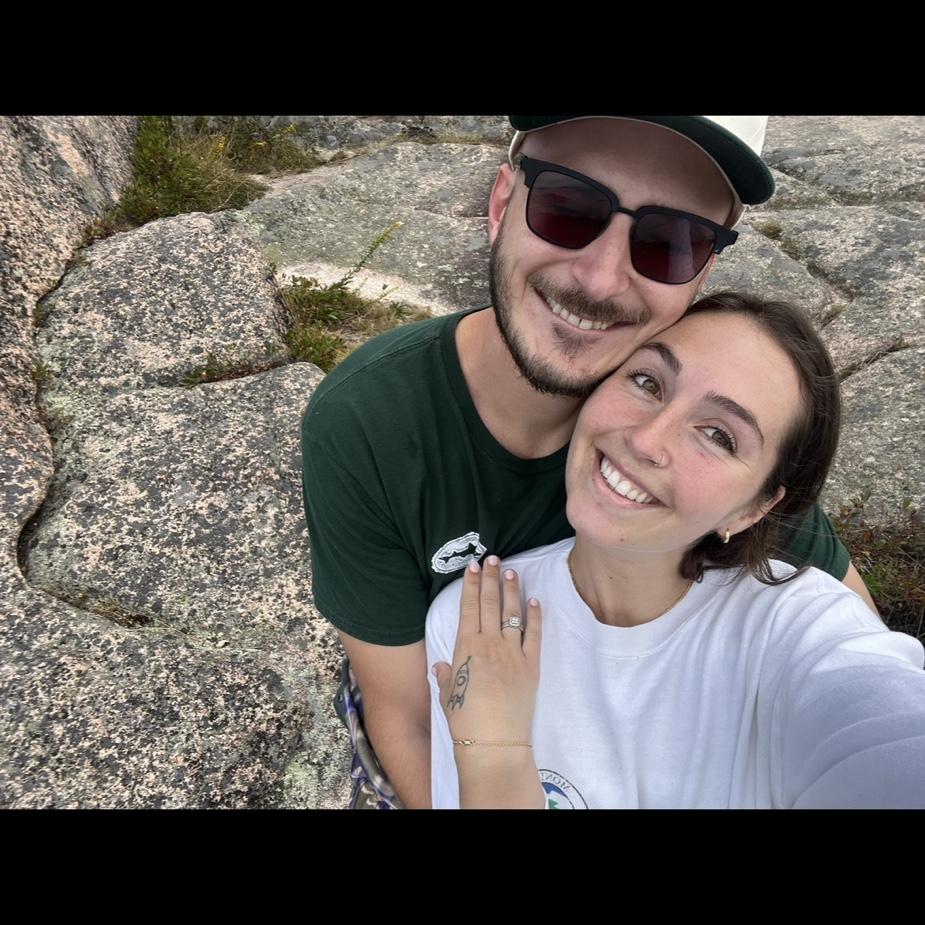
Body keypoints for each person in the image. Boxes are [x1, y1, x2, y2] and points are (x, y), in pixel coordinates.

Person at [300, 116, 879, 810]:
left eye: (668, 242)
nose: (600, 278)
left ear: (699, 274)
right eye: (567, 207)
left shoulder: (691, 436)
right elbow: (406, 713)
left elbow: (856, 664)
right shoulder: (369, 421)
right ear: (500, 204)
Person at [427, 293, 925, 809]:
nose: (647, 440)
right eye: (648, 382)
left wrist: (495, 757)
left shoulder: (800, 631)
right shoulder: (476, 625)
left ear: (752, 509)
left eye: (718, 435)